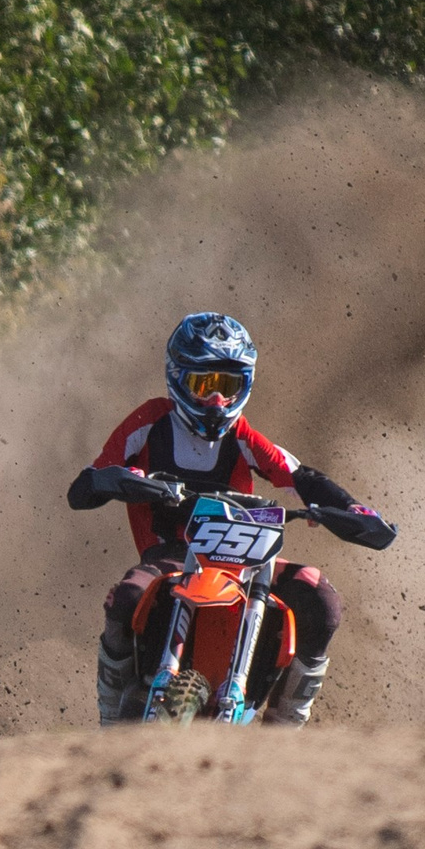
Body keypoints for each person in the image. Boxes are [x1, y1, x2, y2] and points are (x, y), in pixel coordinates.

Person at [67, 311, 370, 726]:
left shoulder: (241, 435)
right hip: (172, 556)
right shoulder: (151, 422)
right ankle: (108, 722)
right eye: (204, 385)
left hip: (244, 560)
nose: (216, 401)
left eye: (228, 386)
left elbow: (297, 474)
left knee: (320, 598)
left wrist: (350, 509)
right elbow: (84, 487)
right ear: (178, 379)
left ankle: (287, 726)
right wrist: (125, 480)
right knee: (126, 599)